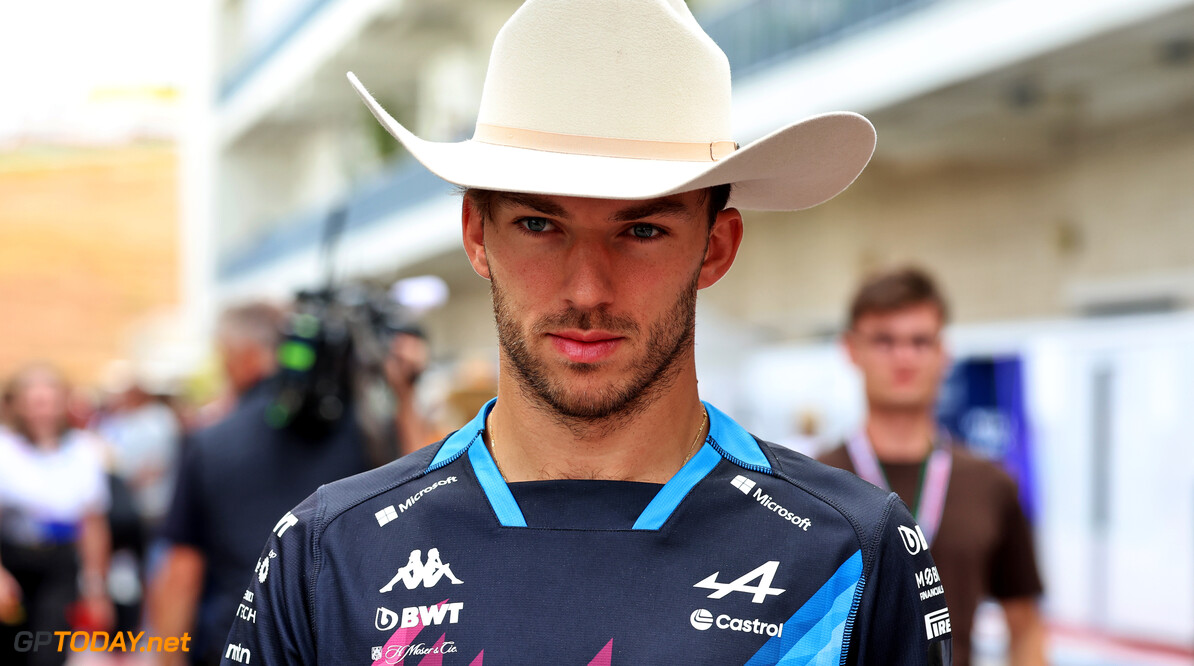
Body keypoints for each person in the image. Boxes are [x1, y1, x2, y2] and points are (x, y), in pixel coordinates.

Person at [221, 1, 952, 663]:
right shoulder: (329, 553)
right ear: (478, 234)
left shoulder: (849, 554)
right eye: (540, 224)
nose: (587, 289)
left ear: (717, 247)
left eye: (642, 229)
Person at [818, 267, 1045, 666]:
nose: (904, 356)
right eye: (885, 341)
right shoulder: (812, 482)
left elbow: (1025, 628)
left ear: (943, 352)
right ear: (851, 350)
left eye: (920, 341)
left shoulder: (991, 484)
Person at [149, 302, 380, 665]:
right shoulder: (365, 429)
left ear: (246, 354)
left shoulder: (208, 442)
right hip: (346, 640)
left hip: (239, 643)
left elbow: (181, 573)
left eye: (223, 355)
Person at [0, 363, 114, 666]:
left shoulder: (84, 451)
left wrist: (95, 588)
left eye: (50, 403)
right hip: (13, 560)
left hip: (60, 565)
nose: (43, 412)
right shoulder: (5, 450)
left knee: (48, 652)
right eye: (35, 403)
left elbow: (93, 523)